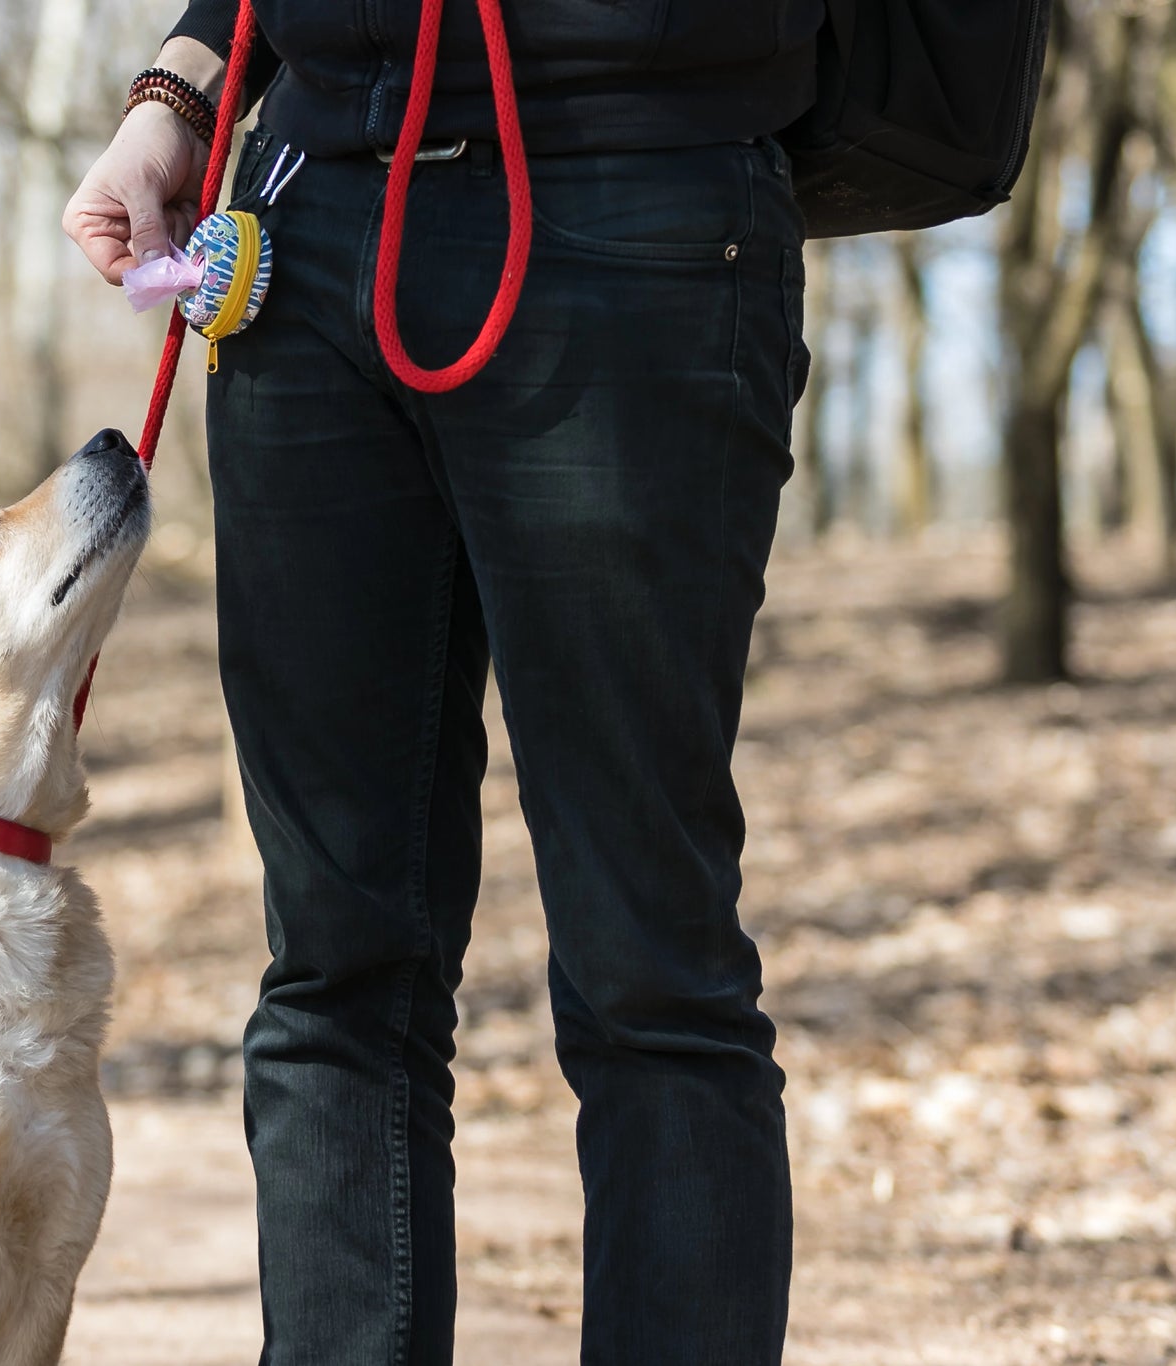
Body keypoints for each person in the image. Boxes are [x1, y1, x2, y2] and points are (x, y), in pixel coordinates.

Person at [64, 3, 822, 1362]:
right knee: (336, 969)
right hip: (312, 223)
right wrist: (178, 95)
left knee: (650, 963)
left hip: (633, 194)